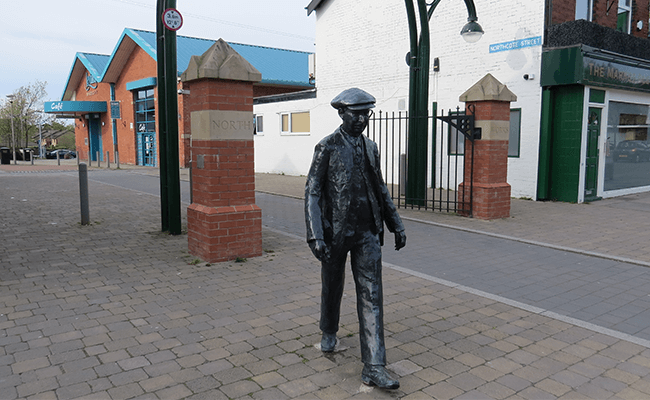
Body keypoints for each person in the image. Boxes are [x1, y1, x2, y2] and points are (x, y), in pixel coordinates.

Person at [305, 88, 406, 389]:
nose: (362, 119)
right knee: (332, 286)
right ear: (341, 113)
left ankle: (374, 366)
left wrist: (395, 223)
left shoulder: (372, 147)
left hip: (367, 232)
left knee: (372, 295)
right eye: (356, 113)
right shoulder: (327, 147)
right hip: (335, 233)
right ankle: (329, 330)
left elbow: (381, 189)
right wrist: (315, 235)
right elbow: (311, 191)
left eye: (367, 113)